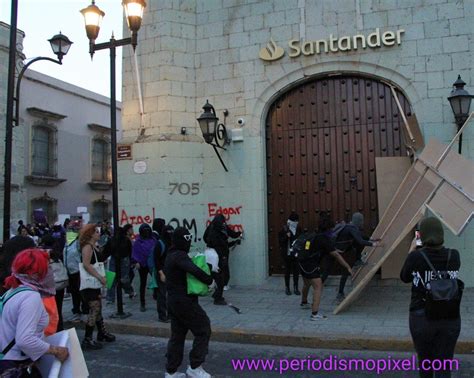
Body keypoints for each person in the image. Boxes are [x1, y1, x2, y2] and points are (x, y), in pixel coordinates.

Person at [400, 217, 461, 378]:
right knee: (443, 368)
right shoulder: (454, 256)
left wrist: (412, 248)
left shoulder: (416, 257)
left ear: (422, 236)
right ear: (441, 234)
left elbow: (404, 277)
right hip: (450, 317)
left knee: (425, 365)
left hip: (422, 317)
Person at [0, 249, 69, 375]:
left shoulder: (13, 291)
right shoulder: (30, 297)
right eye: (47, 267)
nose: (50, 272)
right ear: (35, 274)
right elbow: (25, 339)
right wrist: (56, 350)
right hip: (16, 365)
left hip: (8, 360)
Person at [164, 227, 213, 378]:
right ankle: (195, 367)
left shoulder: (171, 254)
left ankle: (171, 371)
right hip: (184, 302)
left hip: (173, 301)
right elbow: (194, 270)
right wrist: (209, 279)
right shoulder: (179, 256)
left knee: (177, 336)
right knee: (203, 328)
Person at [299, 216, 352, 320]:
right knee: (318, 287)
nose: (332, 230)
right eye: (332, 228)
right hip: (311, 265)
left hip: (301, 261)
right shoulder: (324, 239)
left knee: (307, 283)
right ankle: (314, 314)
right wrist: (347, 266)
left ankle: (304, 302)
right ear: (329, 228)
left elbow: (313, 248)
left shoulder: (314, 235)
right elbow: (336, 255)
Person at [324, 212, 379, 303]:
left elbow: (361, 236)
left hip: (334, 249)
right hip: (336, 251)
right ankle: (336, 292)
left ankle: (322, 288)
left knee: (330, 271)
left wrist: (371, 239)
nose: (362, 222)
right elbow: (360, 241)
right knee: (344, 272)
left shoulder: (348, 226)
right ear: (359, 221)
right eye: (361, 220)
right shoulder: (352, 229)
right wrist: (373, 244)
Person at [79, 224, 115, 350]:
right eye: (96, 232)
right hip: (90, 283)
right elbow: (86, 265)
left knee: (98, 307)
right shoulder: (87, 247)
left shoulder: (94, 247)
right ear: (90, 234)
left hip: (94, 282)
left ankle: (101, 332)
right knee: (94, 309)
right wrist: (100, 277)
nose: (98, 234)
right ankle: (87, 338)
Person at [203, 214, 241, 305]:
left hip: (212, 255)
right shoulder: (221, 229)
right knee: (221, 276)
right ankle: (218, 297)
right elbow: (224, 243)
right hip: (220, 255)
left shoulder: (211, 228)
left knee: (216, 274)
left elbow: (205, 238)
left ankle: (217, 293)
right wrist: (239, 234)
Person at [105, 224, 135, 304]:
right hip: (124, 259)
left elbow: (106, 251)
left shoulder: (112, 240)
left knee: (111, 279)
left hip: (115, 259)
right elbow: (130, 251)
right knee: (123, 278)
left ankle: (110, 298)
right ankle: (129, 291)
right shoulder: (126, 240)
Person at [132, 223, 156, 312]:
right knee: (143, 284)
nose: (146, 232)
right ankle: (142, 303)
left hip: (152, 264)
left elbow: (155, 252)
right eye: (144, 230)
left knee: (156, 281)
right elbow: (135, 252)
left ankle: (156, 295)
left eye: (147, 230)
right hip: (142, 265)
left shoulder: (153, 240)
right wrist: (136, 262)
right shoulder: (138, 241)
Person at [153, 224, 174, 323]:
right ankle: (162, 315)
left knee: (170, 294)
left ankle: (170, 314)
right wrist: (161, 273)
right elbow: (156, 260)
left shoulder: (172, 243)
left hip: (171, 272)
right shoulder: (160, 243)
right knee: (162, 294)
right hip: (162, 272)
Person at [278, 212, 302, 295]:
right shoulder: (284, 229)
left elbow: (300, 238)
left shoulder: (298, 228)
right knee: (287, 271)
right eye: (295, 221)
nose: (297, 222)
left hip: (295, 253)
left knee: (296, 271)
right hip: (287, 253)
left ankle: (296, 287)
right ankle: (287, 287)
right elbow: (280, 242)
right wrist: (286, 236)